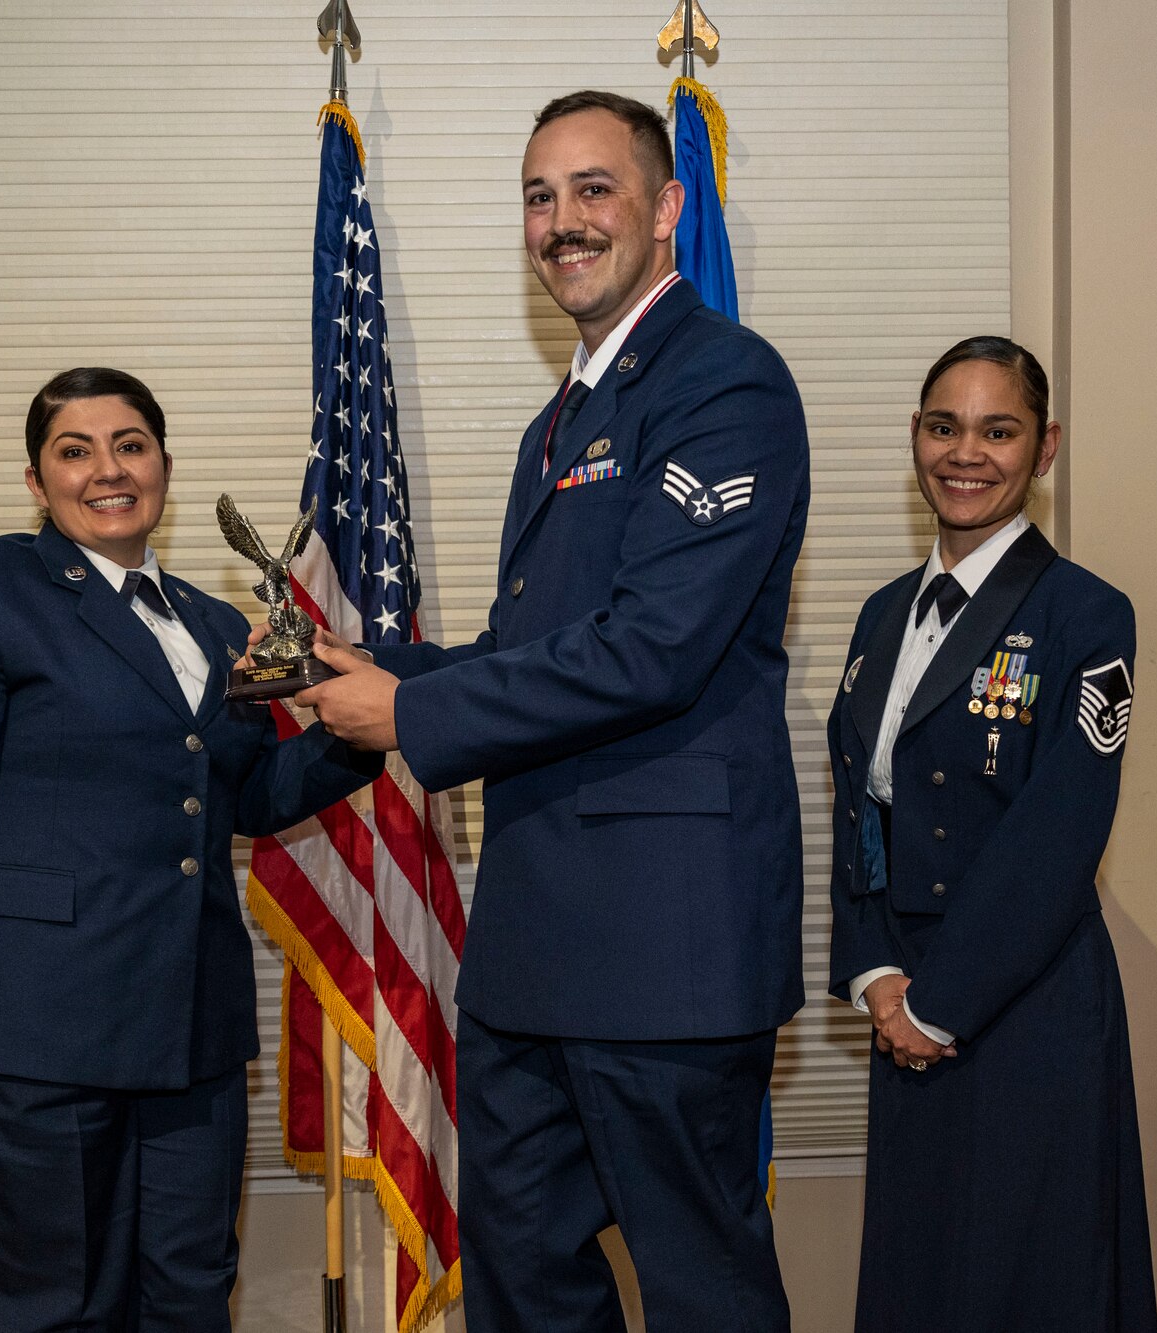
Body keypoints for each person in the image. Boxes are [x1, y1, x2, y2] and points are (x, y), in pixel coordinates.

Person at [294, 90, 808, 1331]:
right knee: (523, 1277)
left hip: (666, 947)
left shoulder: (723, 382)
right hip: (533, 952)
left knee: (700, 1287)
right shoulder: (559, 418)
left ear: (664, 206)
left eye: (593, 188)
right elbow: (537, 652)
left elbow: (651, 651)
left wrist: (408, 719)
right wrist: (375, 667)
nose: (562, 220)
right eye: (539, 194)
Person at [0, 367, 381, 1332]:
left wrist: (366, 725)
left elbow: (242, 798)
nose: (106, 469)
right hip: (27, 1036)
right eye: (74, 451)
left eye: (130, 444)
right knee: (43, 1309)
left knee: (189, 1297)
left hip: (189, 1038)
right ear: (37, 484)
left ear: (163, 462)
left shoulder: (212, 622)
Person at [826, 336, 1157, 1330]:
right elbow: (860, 809)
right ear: (914, 438)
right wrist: (875, 971)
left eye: (996, 430)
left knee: (1027, 1283)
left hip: (1021, 1001)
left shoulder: (1084, 615)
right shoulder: (882, 614)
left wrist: (939, 1004)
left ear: (1043, 447)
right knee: (921, 1275)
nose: (964, 453)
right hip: (906, 999)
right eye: (942, 426)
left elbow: (1057, 835)